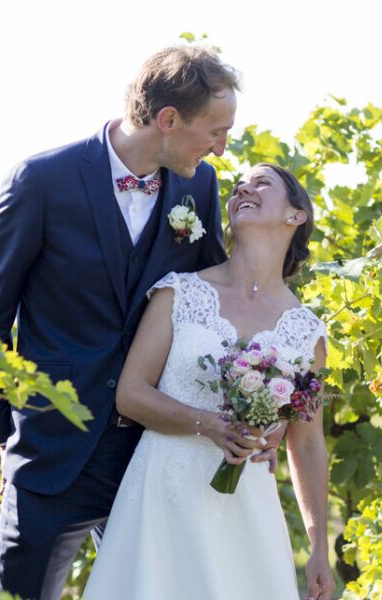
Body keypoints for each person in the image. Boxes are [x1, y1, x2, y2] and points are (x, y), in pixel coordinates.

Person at [0, 46, 284, 600]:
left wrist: (255, 408)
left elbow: (217, 299)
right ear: (167, 120)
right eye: (215, 130)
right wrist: (12, 430)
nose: (221, 147)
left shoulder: (198, 187)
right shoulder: (40, 180)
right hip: (51, 454)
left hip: (155, 455)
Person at [82, 163, 336, 600]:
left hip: (246, 511)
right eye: (239, 186)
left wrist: (318, 547)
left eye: (261, 183)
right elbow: (130, 394)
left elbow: (307, 443)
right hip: (162, 494)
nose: (243, 188)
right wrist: (210, 424)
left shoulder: (305, 331)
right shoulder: (179, 292)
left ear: (296, 216)